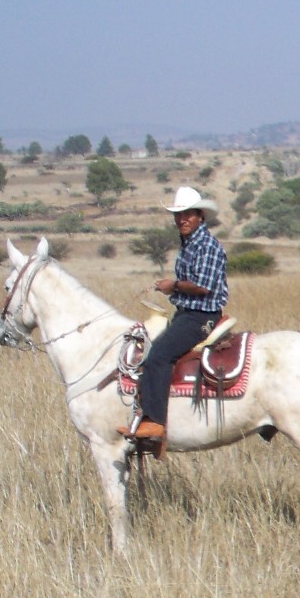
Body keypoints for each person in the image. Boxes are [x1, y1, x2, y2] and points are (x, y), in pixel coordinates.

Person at [122, 186, 228, 443]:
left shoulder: (207, 246)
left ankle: (155, 422)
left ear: (200, 216)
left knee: (158, 356)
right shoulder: (190, 243)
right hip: (186, 313)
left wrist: (174, 285)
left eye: (187, 214)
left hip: (201, 317)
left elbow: (203, 286)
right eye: (178, 215)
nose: (182, 220)